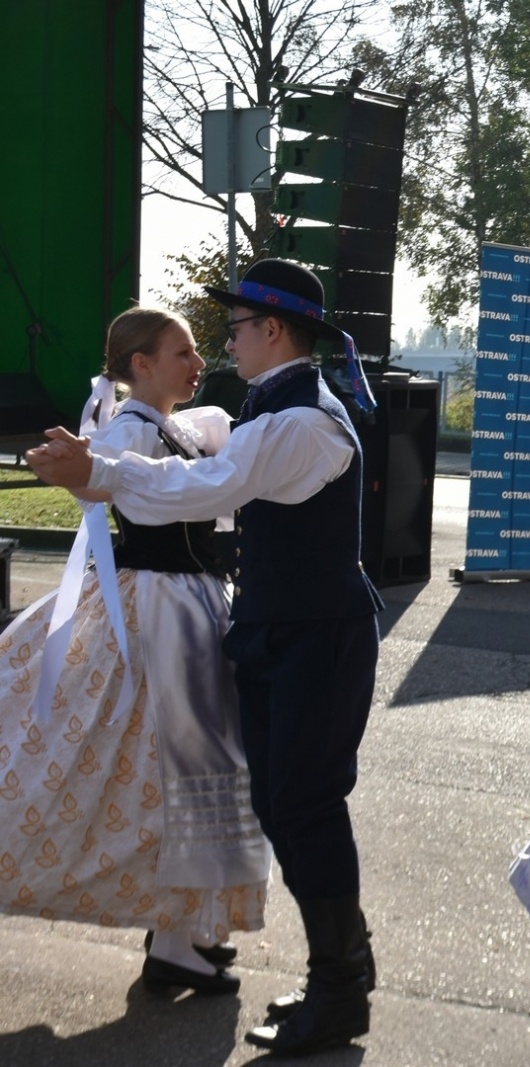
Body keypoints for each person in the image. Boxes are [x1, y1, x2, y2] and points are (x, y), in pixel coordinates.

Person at [26, 259, 383, 1057]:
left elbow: (208, 487)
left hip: (315, 633)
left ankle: (340, 988)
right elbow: (198, 464)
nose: (228, 339)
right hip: (280, 627)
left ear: (275, 330)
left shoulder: (302, 421)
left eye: (239, 325)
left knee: (305, 803)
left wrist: (99, 471)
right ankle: (339, 971)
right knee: (285, 801)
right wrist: (105, 465)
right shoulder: (270, 407)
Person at [0, 306, 269, 995]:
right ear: (140, 363)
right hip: (163, 606)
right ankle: (177, 936)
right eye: (180, 352)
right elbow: (108, 489)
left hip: (187, 597)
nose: (195, 361)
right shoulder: (129, 428)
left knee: (194, 765)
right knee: (182, 764)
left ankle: (185, 928)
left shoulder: (169, 424)